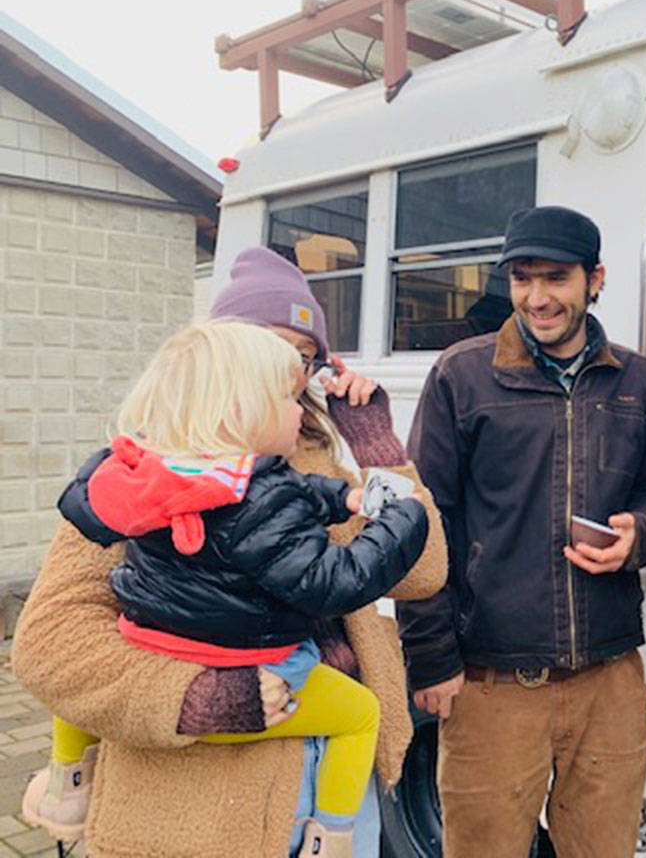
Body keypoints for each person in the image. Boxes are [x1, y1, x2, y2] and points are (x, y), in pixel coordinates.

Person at [12, 246, 448, 858]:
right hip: (194, 811)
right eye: (268, 348)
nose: (290, 372)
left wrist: (377, 448)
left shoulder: (320, 467)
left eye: (304, 357)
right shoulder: (151, 474)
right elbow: (51, 643)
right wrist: (201, 698)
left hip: (337, 783)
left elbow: (424, 573)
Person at [398, 205, 646, 858]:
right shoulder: (462, 376)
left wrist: (639, 533)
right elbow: (420, 525)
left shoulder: (638, 381)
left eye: (556, 278)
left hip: (609, 679)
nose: (537, 297)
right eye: (522, 278)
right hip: (493, 681)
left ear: (595, 279)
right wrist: (431, 656)